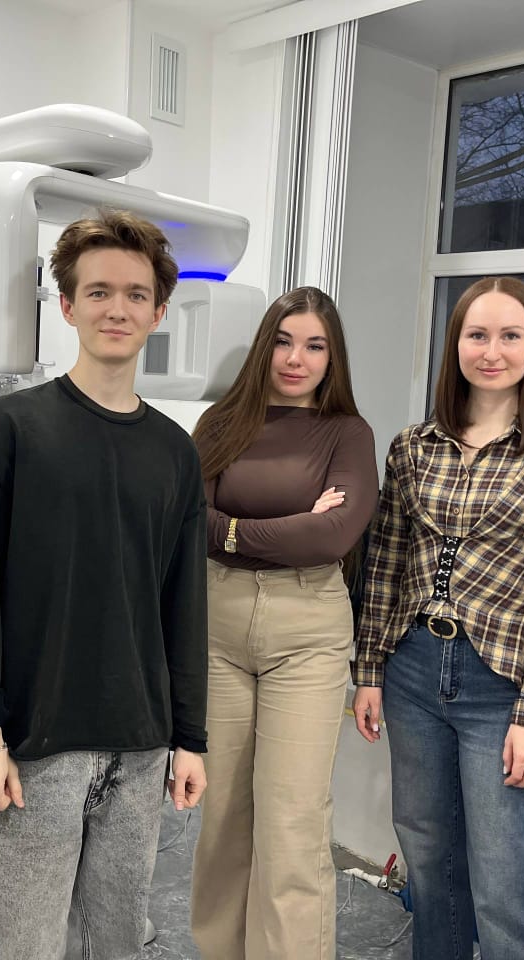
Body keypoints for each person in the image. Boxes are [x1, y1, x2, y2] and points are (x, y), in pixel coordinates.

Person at [0, 209, 209, 960]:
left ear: (158, 311)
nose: (117, 309)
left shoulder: (175, 453)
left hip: (140, 744)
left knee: (116, 942)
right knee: (21, 945)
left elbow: (184, 606)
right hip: (35, 744)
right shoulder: (9, 429)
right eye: (98, 292)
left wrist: (190, 738)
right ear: (66, 306)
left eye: (135, 294)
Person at [353, 276, 524, 960]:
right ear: (455, 344)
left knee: (505, 880)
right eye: (477, 334)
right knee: (429, 863)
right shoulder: (413, 447)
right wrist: (369, 670)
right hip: (412, 671)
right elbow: (386, 563)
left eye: (510, 336)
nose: (492, 351)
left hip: (501, 688)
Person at [189, 286, 378, 960]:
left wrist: (233, 530)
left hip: (307, 630)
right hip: (218, 626)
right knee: (222, 816)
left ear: (332, 357)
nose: (296, 359)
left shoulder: (347, 433)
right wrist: (291, 525)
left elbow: (334, 535)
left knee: (291, 821)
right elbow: (189, 521)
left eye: (314, 346)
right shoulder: (219, 424)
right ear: (264, 345)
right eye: (284, 341)